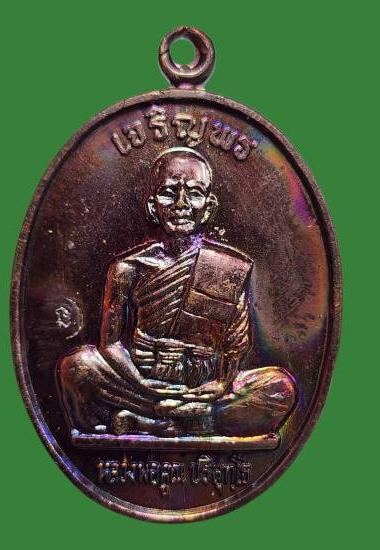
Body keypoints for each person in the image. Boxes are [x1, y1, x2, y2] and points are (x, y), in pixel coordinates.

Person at [59, 147, 296, 438]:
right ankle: (189, 420)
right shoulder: (127, 268)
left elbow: (234, 346)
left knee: (279, 388)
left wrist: (221, 384)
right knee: (77, 367)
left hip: (204, 388)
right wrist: (143, 384)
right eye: (169, 193)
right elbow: (110, 344)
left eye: (194, 193)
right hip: (143, 384)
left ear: (208, 207)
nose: (181, 204)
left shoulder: (230, 268)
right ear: (152, 207)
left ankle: (155, 422)